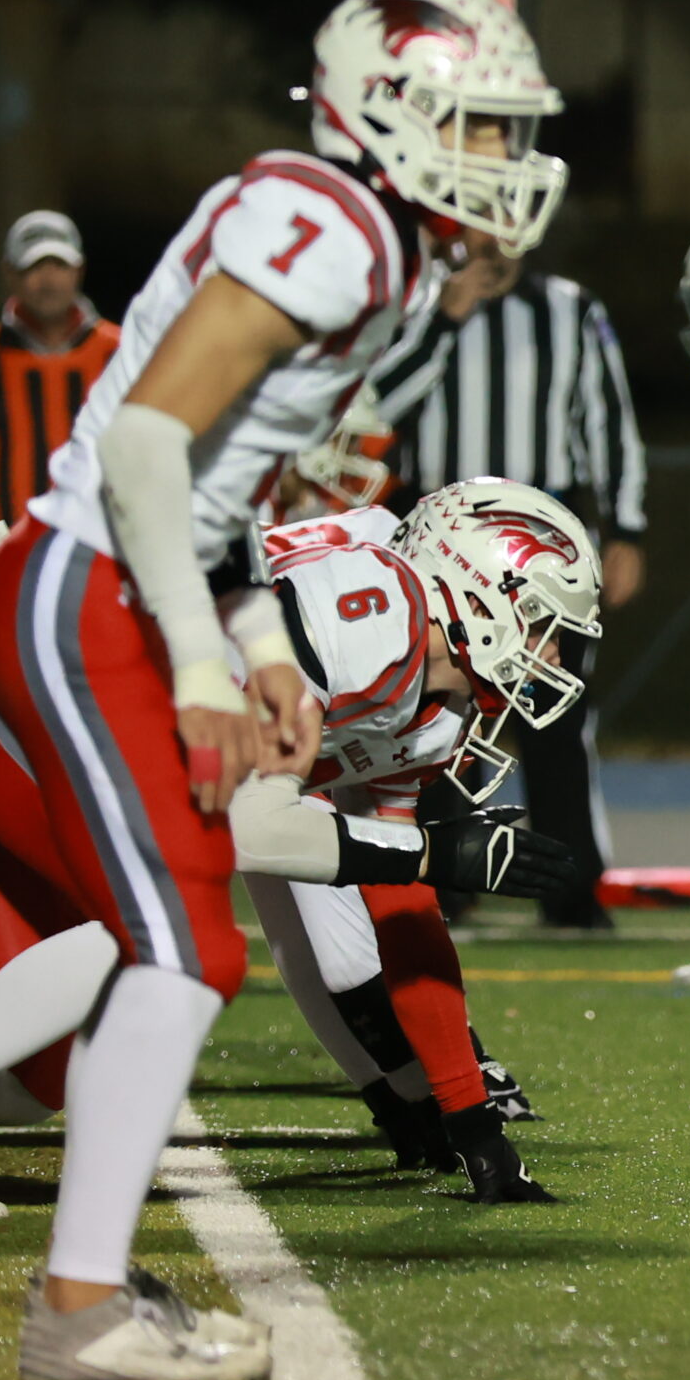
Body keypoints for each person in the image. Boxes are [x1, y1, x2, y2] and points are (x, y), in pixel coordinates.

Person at [0, 0, 563, 1380]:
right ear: (402, 112)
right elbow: (138, 450)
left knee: (170, 948)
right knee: (180, 947)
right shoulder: (337, 226)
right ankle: (77, 1306)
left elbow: (215, 491)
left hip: (126, 579)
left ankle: (83, 1291)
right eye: (484, 127)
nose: (507, 160)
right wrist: (199, 656)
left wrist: (252, 648)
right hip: (88, 582)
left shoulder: (371, 250)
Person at [232, 484, 599, 1203]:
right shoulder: (370, 621)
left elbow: (397, 900)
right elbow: (253, 828)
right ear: (482, 594)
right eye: (540, 623)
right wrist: (435, 851)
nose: (553, 653)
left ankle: (408, 1093)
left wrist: (473, 1125)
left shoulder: (432, 711)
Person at [369, 246, 647, 929]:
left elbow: (609, 420)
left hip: (540, 546)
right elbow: (373, 413)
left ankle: (571, 889)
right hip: (436, 538)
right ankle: (438, 880)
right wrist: (444, 318)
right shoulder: (413, 304)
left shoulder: (571, 308)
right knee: (429, 710)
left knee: (552, 715)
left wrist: (628, 528)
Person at [0, 211, 119, 527]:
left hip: (98, 548)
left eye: (59, 265)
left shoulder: (121, 352)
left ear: (79, 270)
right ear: (9, 273)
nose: (48, 279)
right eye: (35, 266)